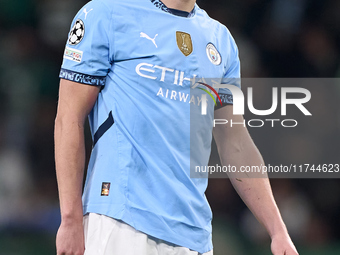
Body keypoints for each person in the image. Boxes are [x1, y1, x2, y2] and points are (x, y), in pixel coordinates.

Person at [55, 0, 299, 254]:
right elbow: (68, 119)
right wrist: (70, 219)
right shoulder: (106, 13)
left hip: (193, 235)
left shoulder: (221, 40)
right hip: (120, 220)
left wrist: (277, 230)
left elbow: (235, 142)